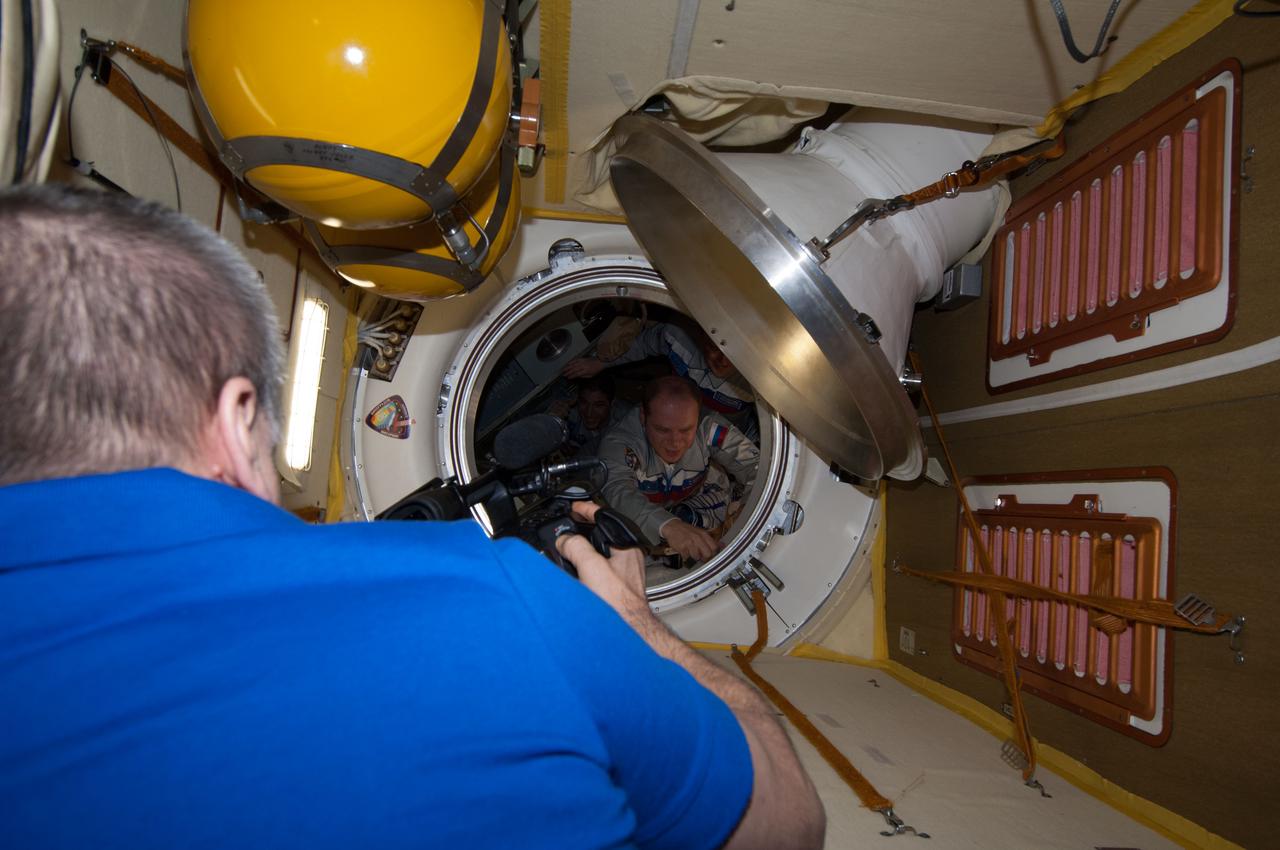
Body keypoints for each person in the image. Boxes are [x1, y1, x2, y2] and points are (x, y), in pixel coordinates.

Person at [0, 185, 823, 850]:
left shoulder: (711, 435)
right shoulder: (497, 602)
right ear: (233, 418)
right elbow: (789, 825)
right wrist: (641, 625)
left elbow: (749, 464)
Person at [599, 375, 759, 562]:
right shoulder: (620, 443)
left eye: (685, 430)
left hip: (702, 497)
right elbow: (617, 489)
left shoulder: (709, 427)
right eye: (662, 430)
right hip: (645, 513)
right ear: (643, 416)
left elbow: (756, 465)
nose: (674, 443)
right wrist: (668, 525)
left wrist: (749, 510)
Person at [564, 320, 760, 443]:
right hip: (679, 421)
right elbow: (643, 344)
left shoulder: (757, 381)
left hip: (727, 432)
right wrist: (600, 363)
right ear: (702, 334)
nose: (722, 360)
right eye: (714, 347)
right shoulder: (677, 338)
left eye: (733, 354)